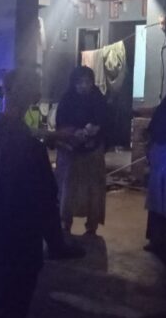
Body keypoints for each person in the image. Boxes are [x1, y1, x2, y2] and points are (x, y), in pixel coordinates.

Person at [0, 69, 82, 318]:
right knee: (12, 306)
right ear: (34, 98)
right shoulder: (32, 148)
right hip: (21, 245)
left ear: (3, 91)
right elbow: (47, 201)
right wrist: (57, 245)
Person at [54, 66, 108, 235]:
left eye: (87, 82)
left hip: (92, 152)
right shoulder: (67, 100)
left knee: (93, 190)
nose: (84, 86)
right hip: (70, 151)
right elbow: (60, 124)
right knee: (68, 189)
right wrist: (73, 134)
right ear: (73, 83)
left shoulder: (98, 100)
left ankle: (92, 225)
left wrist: (94, 131)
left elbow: (106, 122)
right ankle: (65, 222)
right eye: (80, 82)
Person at [145, 95, 166, 255]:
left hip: (164, 153)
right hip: (160, 152)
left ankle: (161, 240)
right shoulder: (165, 105)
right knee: (157, 199)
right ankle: (156, 239)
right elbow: (155, 127)